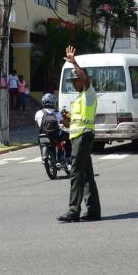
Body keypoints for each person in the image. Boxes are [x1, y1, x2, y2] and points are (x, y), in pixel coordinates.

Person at [57, 45, 101, 223]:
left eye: (75, 81)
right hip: (79, 136)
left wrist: (73, 62)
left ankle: (73, 211)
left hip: (83, 137)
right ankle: (93, 211)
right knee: (86, 174)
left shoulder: (89, 94)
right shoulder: (79, 98)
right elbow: (74, 122)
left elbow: (84, 77)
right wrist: (66, 121)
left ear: (82, 81)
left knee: (75, 173)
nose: (73, 84)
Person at [35, 93, 71, 164]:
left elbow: (37, 125)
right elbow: (66, 125)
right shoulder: (57, 113)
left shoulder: (38, 113)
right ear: (53, 102)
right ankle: (68, 156)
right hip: (55, 134)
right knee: (68, 137)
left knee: (41, 143)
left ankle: (43, 155)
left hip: (42, 135)